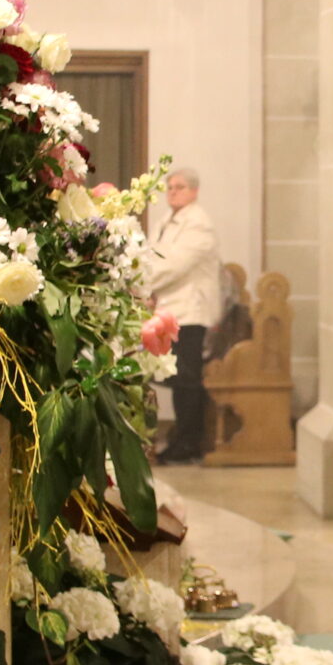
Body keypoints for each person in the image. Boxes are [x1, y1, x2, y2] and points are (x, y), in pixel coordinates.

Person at [143, 168, 220, 463]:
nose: (173, 191)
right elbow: (152, 257)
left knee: (186, 378)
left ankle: (189, 443)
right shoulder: (168, 221)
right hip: (171, 310)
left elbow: (175, 265)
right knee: (176, 376)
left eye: (180, 187)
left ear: (194, 192)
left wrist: (141, 283)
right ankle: (182, 437)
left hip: (191, 311)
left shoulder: (198, 224)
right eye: (170, 186)